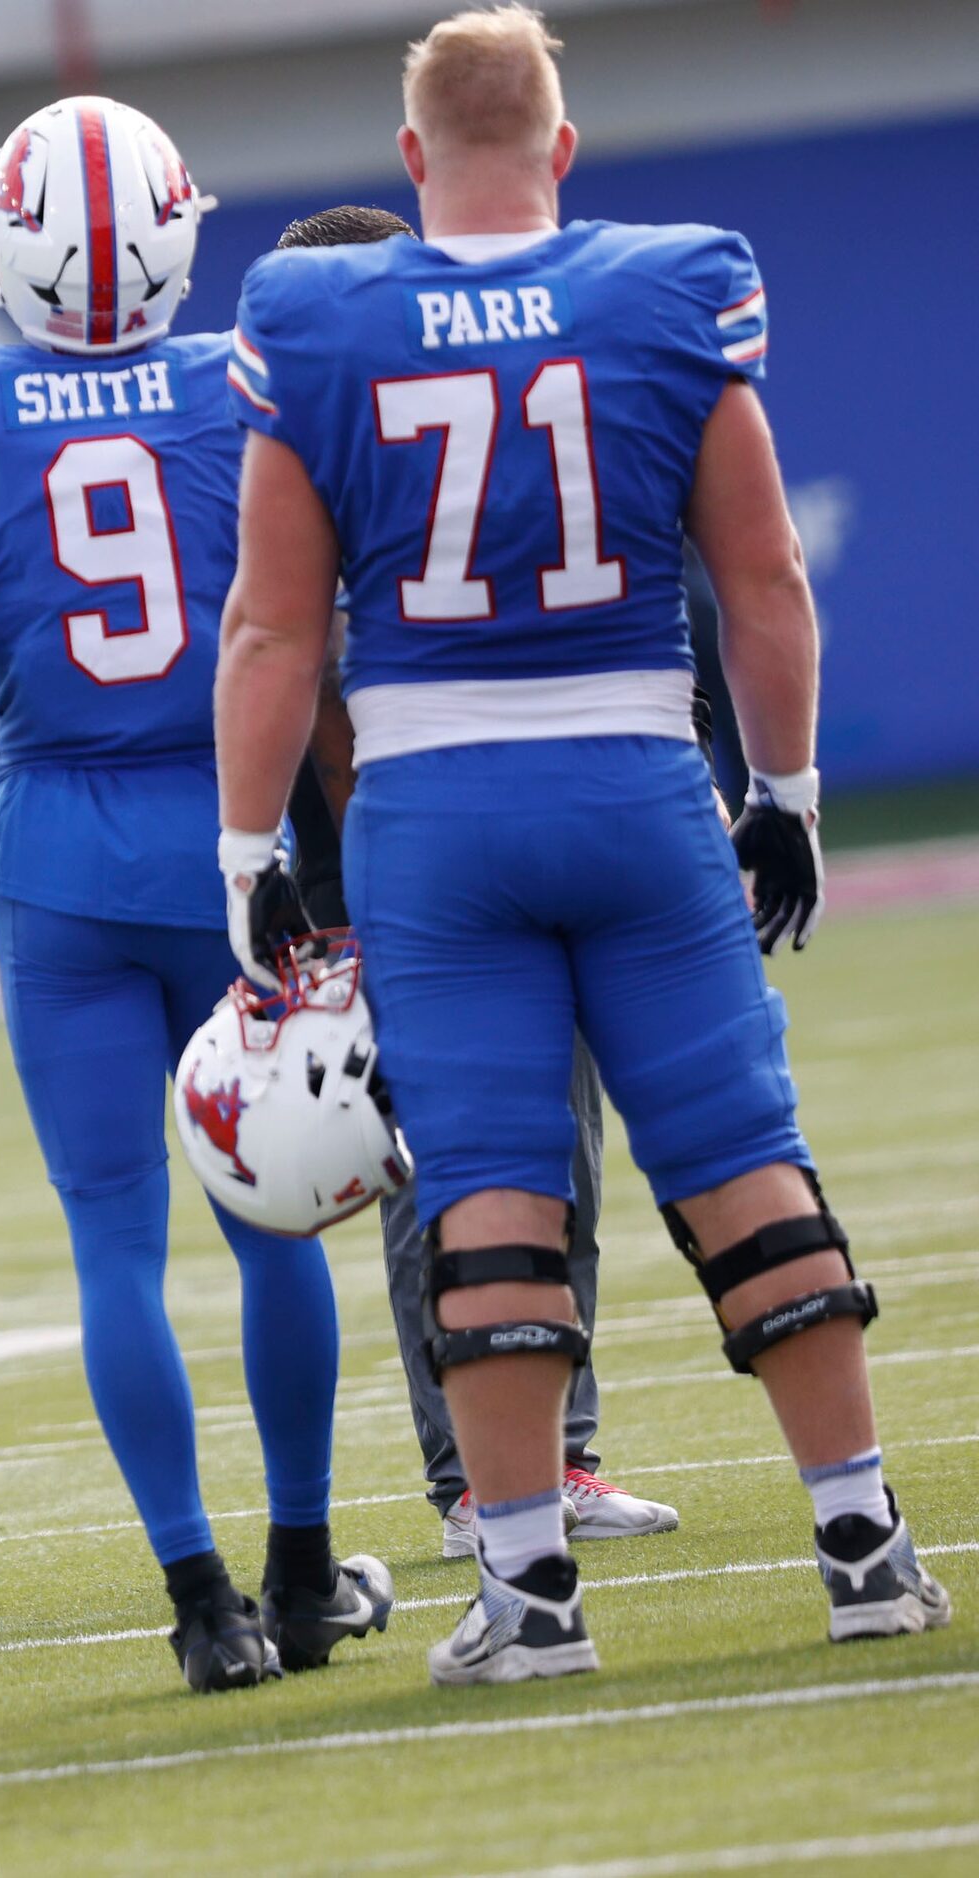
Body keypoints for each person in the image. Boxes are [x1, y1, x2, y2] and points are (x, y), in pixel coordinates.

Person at [216, 4, 950, 1686]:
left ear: (409, 161)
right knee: (738, 1147)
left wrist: (247, 845)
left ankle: (531, 1590)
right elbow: (764, 580)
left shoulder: (322, 317)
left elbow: (268, 628)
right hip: (633, 778)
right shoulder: (664, 286)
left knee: (487, 1184)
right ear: (562, 144)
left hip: (434, 814)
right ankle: (861, 1543)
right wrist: (787, 792)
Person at [0, 101, 391, 1695]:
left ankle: (202, 1599)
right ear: (181, 229)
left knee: (115, 1248)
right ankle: (304, 1574)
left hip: (63, 862)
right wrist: (359, 889)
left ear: (2, 244)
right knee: (275, 1223)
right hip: (239, 841)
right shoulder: (250, 374)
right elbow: (319, 662)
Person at [271, 202, 681, 1560]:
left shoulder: (392, 434)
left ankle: (553, 1453)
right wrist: (351, 891)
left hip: (481, 838)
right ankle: (478, 1476)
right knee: (446, 1166)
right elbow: (318, 694)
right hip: (398, 868)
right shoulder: (312, 456)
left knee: (553, 1151)